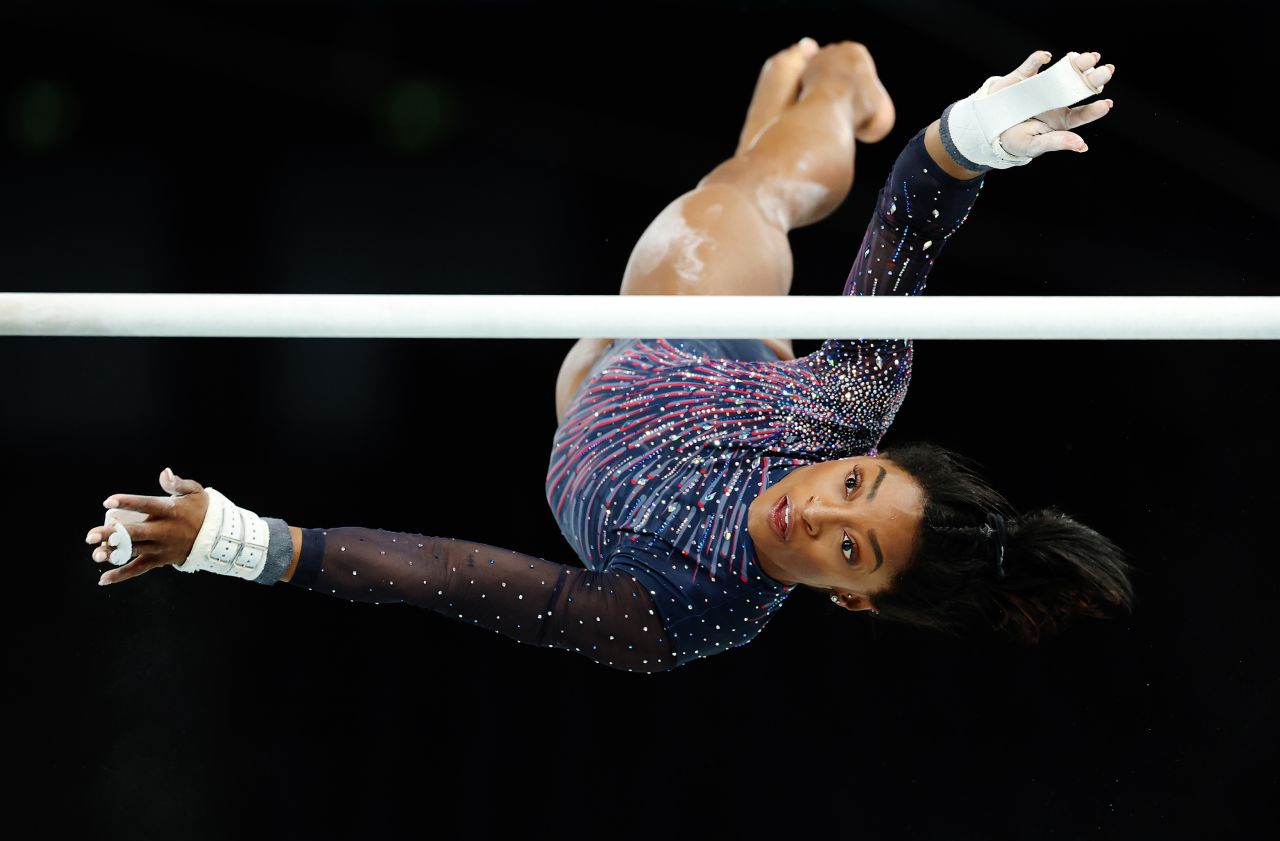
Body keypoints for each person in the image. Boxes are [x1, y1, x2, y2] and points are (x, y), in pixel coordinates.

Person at [83, 40, 1134, 672]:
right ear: (865, 454)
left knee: (735, 190)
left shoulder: (686, 617)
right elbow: (910, 215)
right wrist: (977, 134)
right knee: (733, 210)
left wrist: (249, 541)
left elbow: (461, 578)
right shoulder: (846, 400)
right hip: (691, 323)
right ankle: (841, 92)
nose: (817, 509)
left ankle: (773, 121)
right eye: (856, 483)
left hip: (597, 402)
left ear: (848, 599)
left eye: (847, 549)